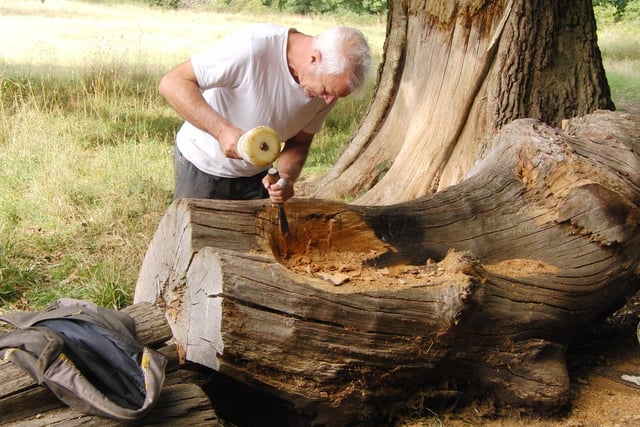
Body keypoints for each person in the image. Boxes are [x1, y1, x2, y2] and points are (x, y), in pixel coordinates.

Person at [158, 23, 372, 203]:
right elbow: (172, 82)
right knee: (194, 243)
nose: (328, 101)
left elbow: (300, 143)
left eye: (335, 95)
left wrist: (285, 177)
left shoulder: (326, 88)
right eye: (326, 90)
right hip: (203, 164)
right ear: (314, 59)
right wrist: (222, 131)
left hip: (258, 176)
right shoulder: (253, 47)